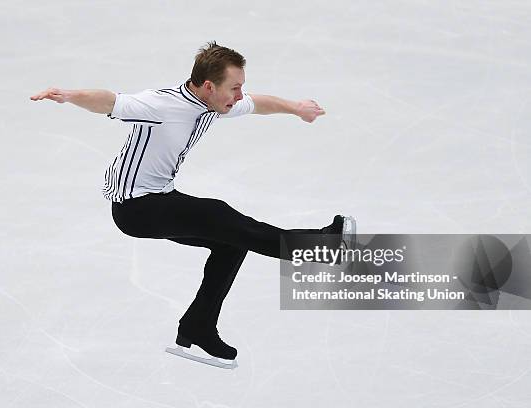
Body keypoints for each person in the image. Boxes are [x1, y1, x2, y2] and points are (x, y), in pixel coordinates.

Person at [30, 41, 355, 368]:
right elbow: (110, 101)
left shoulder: (216, 102)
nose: (239, 95)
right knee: (221, 215)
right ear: (210, 86)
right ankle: (322, 247)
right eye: (235, 88)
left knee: (231, 243)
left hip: (160, 199)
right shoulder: (161, 105)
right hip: (136, 208)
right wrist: (70, 96)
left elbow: (258, 103)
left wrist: (297, 108)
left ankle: (197, 327)